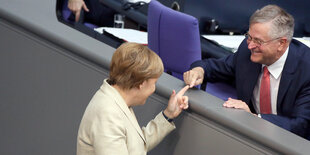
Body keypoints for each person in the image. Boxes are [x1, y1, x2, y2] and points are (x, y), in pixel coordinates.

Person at [183, 5, 310, 140]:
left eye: (258, 41)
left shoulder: (306, 71)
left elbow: (301, 126)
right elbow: (215, 67)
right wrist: (198, 70)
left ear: (281, 44)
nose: (250, 45)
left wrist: (254, 118)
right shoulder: (248, 51)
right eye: (249, 37)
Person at [77, 42, 190, 155]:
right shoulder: (108, 114)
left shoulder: (115, 100)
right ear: (141, 83)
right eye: (154, 83)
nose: (153, 89)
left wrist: (168, 115)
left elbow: (136, 147)